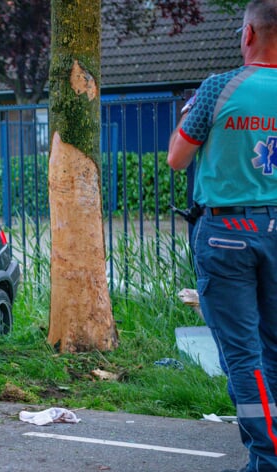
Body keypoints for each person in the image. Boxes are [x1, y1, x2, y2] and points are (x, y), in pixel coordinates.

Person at [168, 1, 277, 470]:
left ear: (248, 34)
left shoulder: (219, 87)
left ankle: (267, 457)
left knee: (242, 353)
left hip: (227, 232)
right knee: (272, 347)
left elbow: (177, 156)